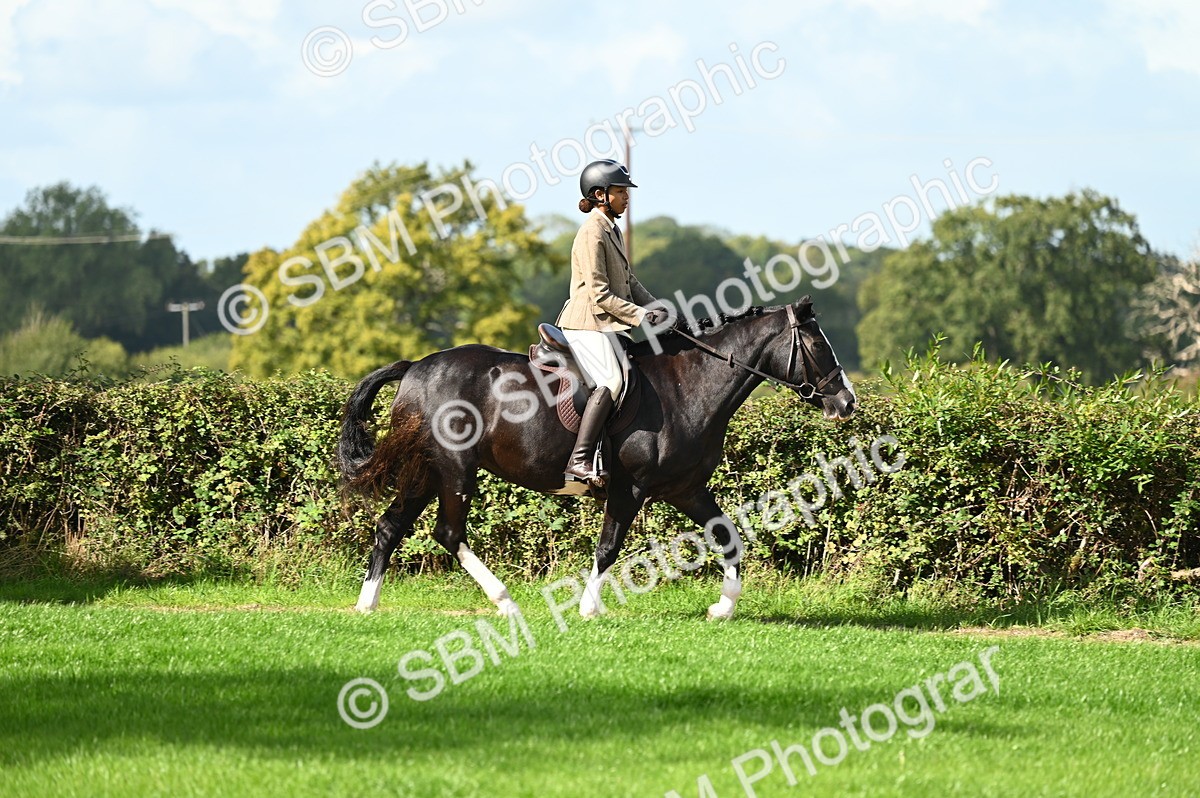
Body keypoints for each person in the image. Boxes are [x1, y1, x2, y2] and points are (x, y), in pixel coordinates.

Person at [556, 159, 668, 487]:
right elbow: (600, 294)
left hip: (606, 325)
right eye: (620, 192)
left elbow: (629, 281)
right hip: (586, 323)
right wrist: (640, 316)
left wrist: (659, 308)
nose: (627, 197)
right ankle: (579, 460)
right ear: (600, 195)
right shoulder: (591, 233)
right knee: (611, 380)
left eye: (625, 191)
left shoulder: (611, 229)